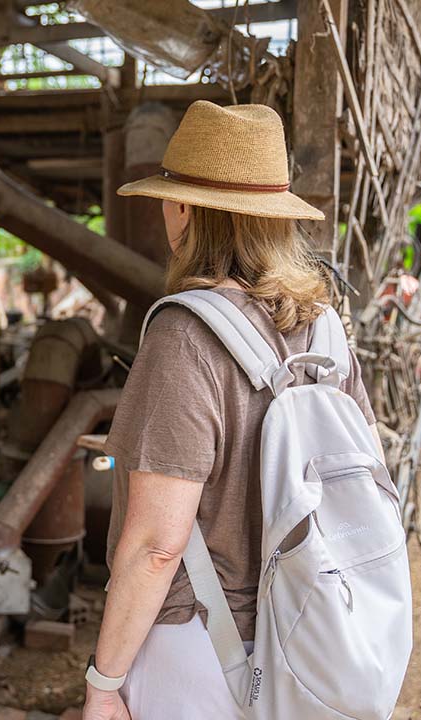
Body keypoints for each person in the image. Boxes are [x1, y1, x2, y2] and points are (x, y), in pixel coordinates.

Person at [81, 102, 380, 720]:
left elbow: (157, 546)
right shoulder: (324, 331)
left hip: (199, 645)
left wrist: (103, 681)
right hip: (312, 628)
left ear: (185, 208)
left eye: (169, 196)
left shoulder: (184, 335)